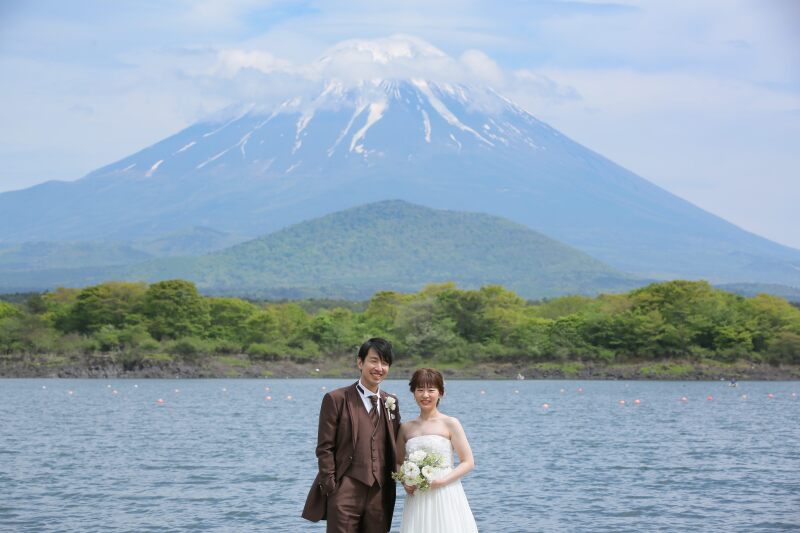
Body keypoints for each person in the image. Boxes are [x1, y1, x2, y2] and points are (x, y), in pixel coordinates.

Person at [302, 338, 402, 533]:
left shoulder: (391, 402)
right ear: (360, 362)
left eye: (385, 363)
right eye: (374, 361)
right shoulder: (336, 399)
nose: (379, 368)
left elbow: (397, 444)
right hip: (344, 490)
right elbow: (324, 447)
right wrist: (332, 486)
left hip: (380, 494)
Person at [396, 368, 478, 532]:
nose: (425, 395)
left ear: (441, 393)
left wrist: (442, 481)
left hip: (445, 491)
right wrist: (405, 481)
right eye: (420, 390)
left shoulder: (451, 423)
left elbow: (468, 462)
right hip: (417, 495)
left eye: (431, 390)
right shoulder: (405, 428)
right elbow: (398, 462)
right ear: (413, 393)